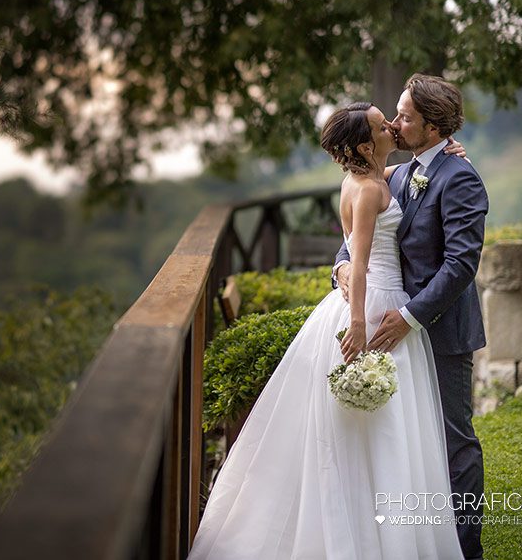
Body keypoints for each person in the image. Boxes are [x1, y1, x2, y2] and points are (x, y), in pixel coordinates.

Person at [188, 101, 463, 559]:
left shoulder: (376, 179)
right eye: (382, 125)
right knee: (383, 430)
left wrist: (451, 151)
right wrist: (357, 321)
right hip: (376, 307)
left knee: (377, 430)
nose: (392, 127)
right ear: (363, 143)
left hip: (377, 302)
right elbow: (357, 262)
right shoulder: (371, 189)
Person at [334, 74, 488, 559]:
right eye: (396, 115)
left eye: (406, 117)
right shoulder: (396, 175)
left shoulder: (459, 176)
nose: (397, 124)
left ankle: (465, 550)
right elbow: (359, 240)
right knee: (404, 444)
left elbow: (461, 262)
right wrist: (339, 267)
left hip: (438, 332)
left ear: (434, 126)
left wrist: (410, 317)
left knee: (453, 442)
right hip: (391, 333)